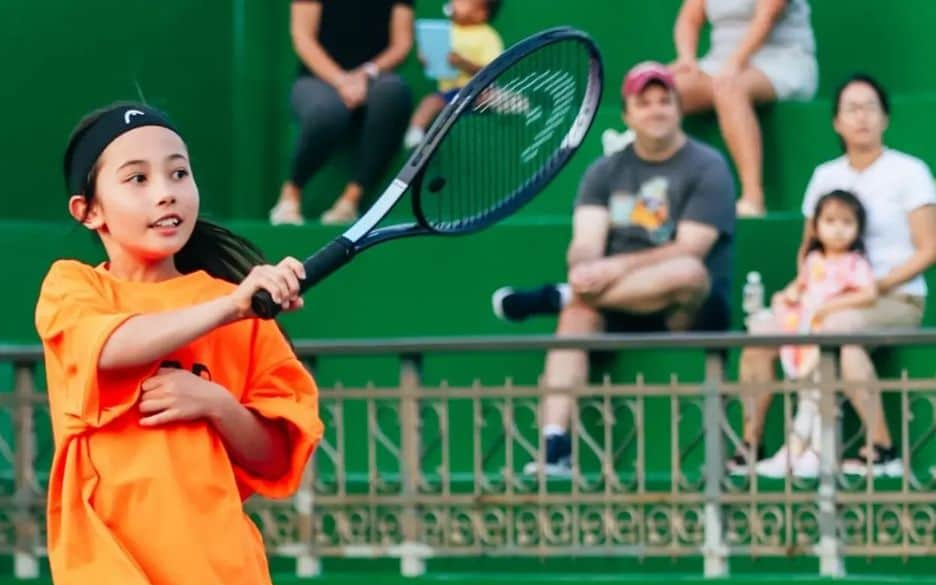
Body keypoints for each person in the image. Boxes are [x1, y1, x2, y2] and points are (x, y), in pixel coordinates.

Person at [36, 103, 323, 585]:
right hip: (109, 567)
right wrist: (231, 308)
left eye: (178, 173)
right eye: (136, 179)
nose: (166, 193)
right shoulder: (72, 289)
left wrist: (218, 404)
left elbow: (275, 456)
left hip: (214, 577)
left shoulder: (238, 309)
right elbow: (110, 349)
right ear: (89, 212)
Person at [491, 62, 736, 474]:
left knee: (688, 272)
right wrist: (586, 268)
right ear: (627, 115)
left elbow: (691, 248)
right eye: (645, 102)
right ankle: (555, 445)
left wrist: (608, 271)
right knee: (575, 315)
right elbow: (585, 242)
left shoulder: (707, 166)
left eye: (665, 101)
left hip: (685, 308)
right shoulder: (604, 171)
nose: (656, 110)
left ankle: (558, 295)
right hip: (617, 304)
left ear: (678, 108)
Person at [735, 74, 936, 478]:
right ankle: (752, 445)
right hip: (823, 297)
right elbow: (808, 249)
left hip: (894, 298)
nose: (861, 117)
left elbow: (929, 248)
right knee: (760, 332)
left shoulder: (909, 172)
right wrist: (803, 293)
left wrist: (874, 286)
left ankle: (881, 448)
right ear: (836, 122)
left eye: (870, 108)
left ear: (885, 118)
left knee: (839, 332)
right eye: (851, 108)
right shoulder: (825, 176)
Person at [751, 190, 877, 478]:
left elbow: (868, 293)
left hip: (826, 340)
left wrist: (829, 307)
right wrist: (785, 298)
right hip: (805, 340)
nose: (837, 228)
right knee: (806, 398)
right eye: (830, 220)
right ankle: (794, 452)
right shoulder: (813, 261)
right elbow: (797, 290)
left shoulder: (855, 263)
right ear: (816, 225)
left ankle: (822, 452)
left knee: (823, 397)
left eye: (846, 222)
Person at [270, 0, 415, 226]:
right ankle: (290, 195)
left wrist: (366, 74)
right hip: (317, 79)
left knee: (393, 92)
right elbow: (303, 38)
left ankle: (350, 201)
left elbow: (402, 44)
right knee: (326, 112)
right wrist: (341, 80)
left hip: (374, 78)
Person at [670, 0, 818, 217]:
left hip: (782, 60)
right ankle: (668, 193)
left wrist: (735, 64)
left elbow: (766, 17)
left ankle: (753, 198)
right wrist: (687, 58)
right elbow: (689, 19)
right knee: (663, 90)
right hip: (719, 64)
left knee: (730, 88)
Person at [403, 0, 504, 149]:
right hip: (450, 93)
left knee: (492, 96)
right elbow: (433, 62)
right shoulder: (445, 31)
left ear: (480, 14)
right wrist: (426, 59)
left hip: (478, 91)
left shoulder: (488, 36)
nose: (456, 2)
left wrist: (461, 62)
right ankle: (416, 132)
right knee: (430, 102)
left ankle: (518, 105)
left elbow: (491, 69)